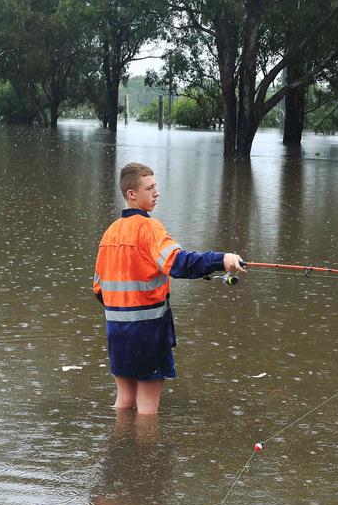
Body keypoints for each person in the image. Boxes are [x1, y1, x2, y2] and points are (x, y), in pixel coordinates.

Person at [93, 162, 244, 414]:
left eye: (156, 187)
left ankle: (119, 450)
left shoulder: (110, 233)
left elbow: (99, 288)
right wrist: (222, 259)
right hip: (149, 332)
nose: (156, 193)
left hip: (116, 332)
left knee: (124, 401)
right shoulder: (150, 229)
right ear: (132, 194)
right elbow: (179, 263)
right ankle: (148, 452)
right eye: (149, 188)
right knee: (147, 409)